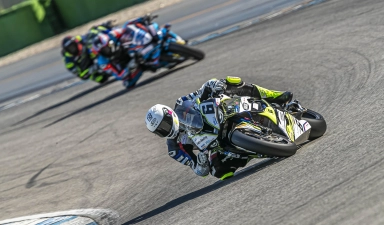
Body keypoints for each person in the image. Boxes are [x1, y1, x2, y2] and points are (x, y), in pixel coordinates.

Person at [145, 76, 293, 180]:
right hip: (215, 145)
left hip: (218, 116)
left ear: (169, 114)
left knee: (232, 82)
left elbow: (203, 89)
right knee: (219, 172)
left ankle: (274, 96)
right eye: (160, 131)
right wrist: (201, 162)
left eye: (164, 124)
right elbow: (198, 170)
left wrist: (215, 86)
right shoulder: (174, 149)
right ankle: (257, 148)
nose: (165, 129)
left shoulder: (182, 103)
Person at [91, 15, 165, 88]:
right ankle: (150, 64)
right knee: (127, 83)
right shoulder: (102, 62)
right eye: (103, 51)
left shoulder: (113, 35)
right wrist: (129, 67)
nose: (106, 51)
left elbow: (127, 26)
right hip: (129, 64)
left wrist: (140, 19)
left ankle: (156, 38)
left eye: (106, 48)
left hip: (132, 50)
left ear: (109, 43)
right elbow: (118, 75)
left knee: (142, 27)